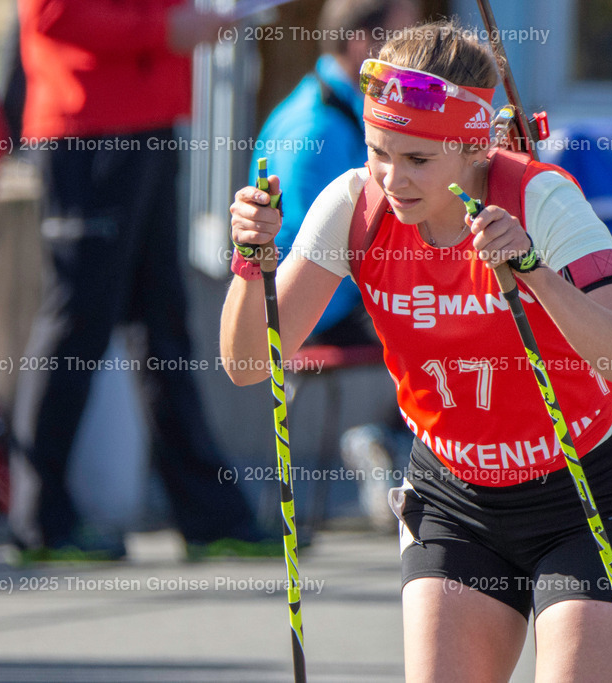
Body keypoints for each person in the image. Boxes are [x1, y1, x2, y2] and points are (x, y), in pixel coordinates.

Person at [223, 20, 612, 682]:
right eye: (378, 150)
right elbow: (248, 363)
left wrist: (537, 275)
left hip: (579, 496)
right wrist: (250, 261)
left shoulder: (539, 197)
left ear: (474, 148)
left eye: (419, 160)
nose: (393, 178)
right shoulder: (354, 206)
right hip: (455, 501)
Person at [11, 0, 274, 561]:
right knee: (76, 323)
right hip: (90, 130)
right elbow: (53, 16)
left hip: (146, 123)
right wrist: (167, 28)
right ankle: (40, 520)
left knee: (162, 325)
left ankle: (208, 514)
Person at [250, 0, 418, 531]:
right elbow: (307, 257)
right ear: (363, 46)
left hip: (334, 291)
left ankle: (398, 441)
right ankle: (402, 445)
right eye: (404, 42)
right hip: (318, 305)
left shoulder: (331, 109)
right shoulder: (316, 128)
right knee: (451, 310)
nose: (418, 65)